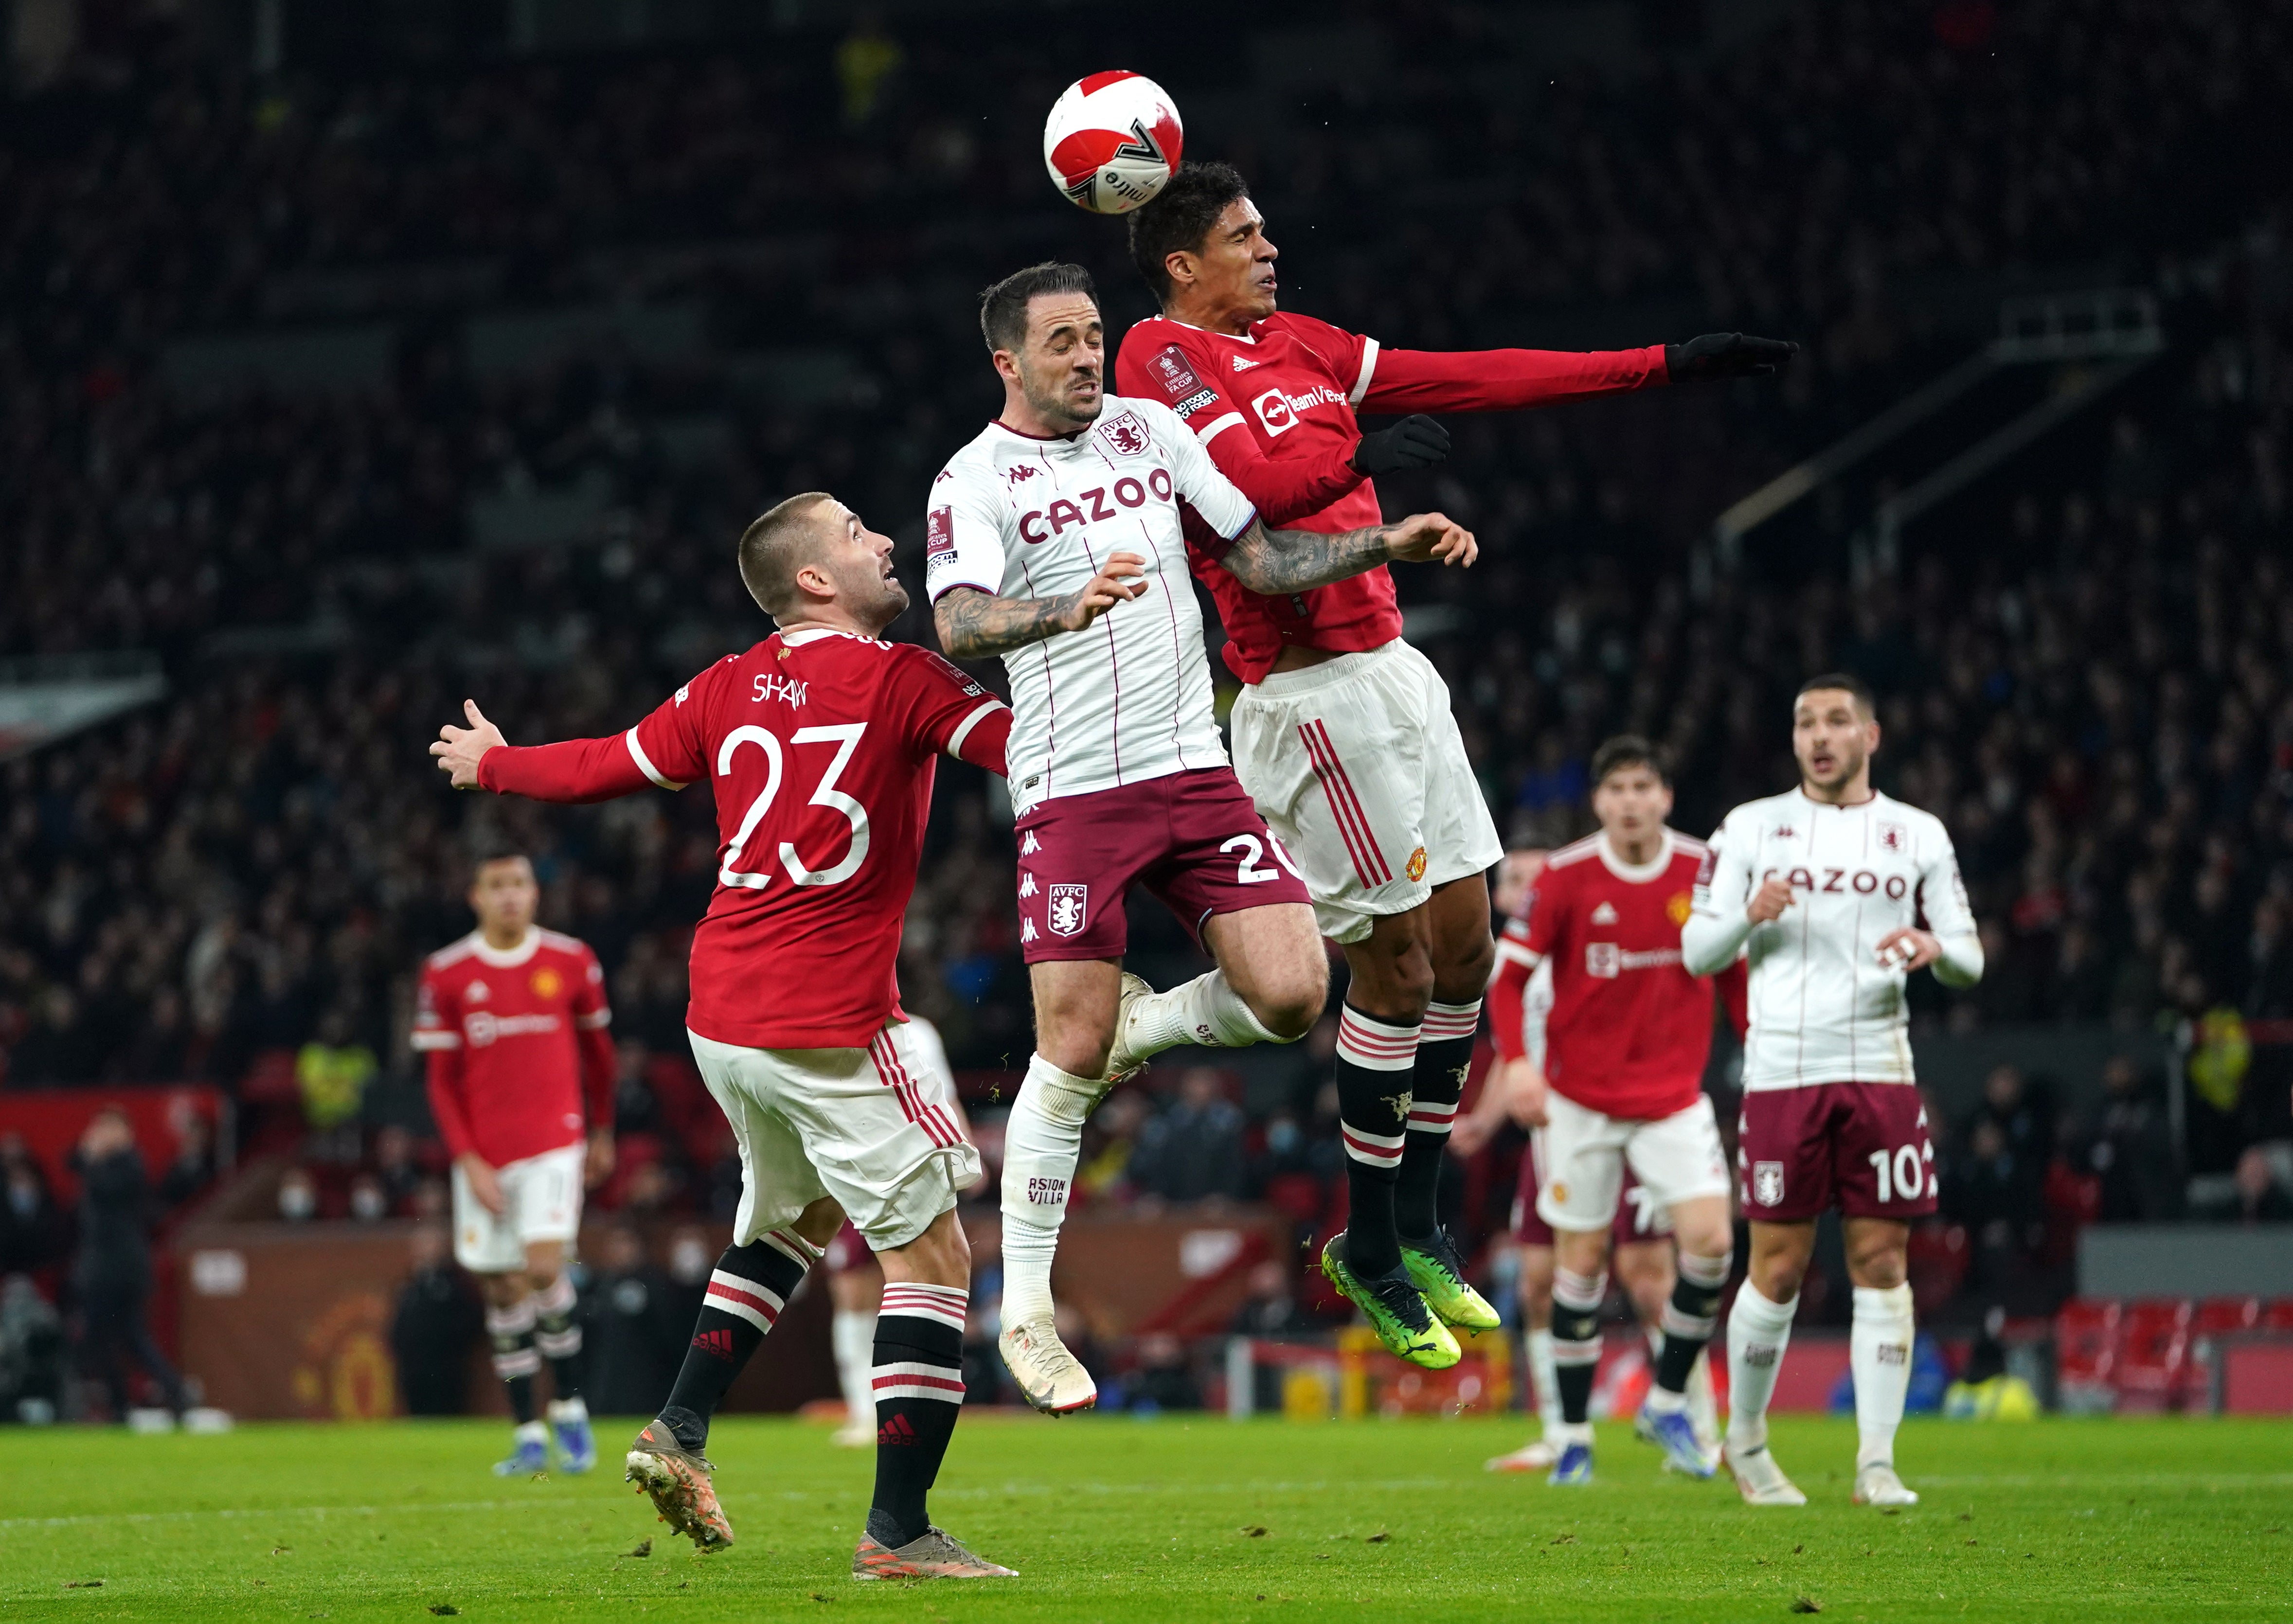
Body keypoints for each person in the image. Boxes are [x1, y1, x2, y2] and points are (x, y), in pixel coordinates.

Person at [1111, 161, 1795, 1352]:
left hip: (1393, 666)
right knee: (1394, 975)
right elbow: (1253, 500)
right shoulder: (1154, 365)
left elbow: (1476, 378)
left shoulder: (1301, 345)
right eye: (1243, 234)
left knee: (1468, 950)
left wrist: (1660, 367)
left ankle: (1410, 1227)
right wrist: (1360, 462)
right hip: (1304, 693)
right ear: (1183, 264)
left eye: (1267, 229)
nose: (1271, 248)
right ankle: (1370, 1239)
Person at [431, 489, 1015, 1581]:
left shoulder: (725, 684)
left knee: (787, 1224)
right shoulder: (902, 678)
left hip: (722, 1015)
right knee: (934, 1255)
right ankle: (898, 1531)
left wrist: (497, 763)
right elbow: (1026, 752)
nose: (883, 541)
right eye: (855, 535)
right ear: (813, 579)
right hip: (828, 1015)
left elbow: (607, 762)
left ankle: (678, 1427)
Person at [927, 259, 1480, 1402]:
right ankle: (1025, 1311)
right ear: (1008, 363)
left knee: (1293, 996)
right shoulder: (972, 480)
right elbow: (960, 620)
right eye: (1063, 344)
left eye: (1093, 338)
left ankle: (1160, 1020)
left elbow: (1259, 557)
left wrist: (1386, 544)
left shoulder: (1148, 433)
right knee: (1070, 1045)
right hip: (1075, 792)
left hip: (1194, 768)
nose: (1087, 358)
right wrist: (1057, 610)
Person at [1682, 674, 1983, 1508]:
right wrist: (1747, 913)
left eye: (1835, 720)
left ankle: (1875, 1463)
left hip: (1881, 1070)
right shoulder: (1749, 826)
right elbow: (1697, 950)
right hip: (1782, 1071)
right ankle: (1744, 1442)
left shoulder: (1915, 833)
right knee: (1775, 1268)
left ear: (1869, 735)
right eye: (1804, 722)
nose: (1818, 735)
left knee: (1882, 1261)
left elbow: (1969, 957)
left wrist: (1930, 943)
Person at [1453, 739, 1745, 1484]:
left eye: (1641, 785)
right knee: (1576, 1268)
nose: (1629, 800)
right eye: (1615, 787)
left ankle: (1670, 1398)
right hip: (1579, 1106)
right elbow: (1507, 980)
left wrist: (1760, 1047)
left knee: (1709, 1244)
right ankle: (1575, 1437)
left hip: (1671, 1101)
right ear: (1599, 800)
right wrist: (1519, 1067)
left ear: (1664, 796)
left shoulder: (1703, 869)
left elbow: (1732, 967)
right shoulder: (1565, 876)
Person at [412, 851, 615, 1477]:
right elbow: (441, 1083)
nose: (510, 896)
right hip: (484, 1154)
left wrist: (603, 1131)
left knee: (542, 1266)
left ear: (535, 893)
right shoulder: (446, 973)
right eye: (496, 885)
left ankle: (571, 1412)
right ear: (475, 895)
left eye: (520, 884)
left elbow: (600, 1056)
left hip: (556, 1139)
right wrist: (468, 1160)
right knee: (501, 1289)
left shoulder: (571, 959)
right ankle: (528, 1432)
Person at [68, 1108, 188, 1422]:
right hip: (99, 1267)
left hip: (121, 1267)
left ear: (127, 1133)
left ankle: (166, 1391)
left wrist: (92, 1158)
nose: (102, 1134)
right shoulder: (102, 1163)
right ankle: (138, 1398)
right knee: (113, 1336)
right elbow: (70, 1160)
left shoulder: (131, 1164)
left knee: (122, 1335)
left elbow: (104, 1186)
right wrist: (88, 1153)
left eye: (110, 1128)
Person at [389, 1225, 484, 1416]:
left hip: (447, 1366)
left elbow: (472, 1319)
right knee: (417, 1412)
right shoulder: (410, 1282)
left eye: (430, 1244)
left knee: (448, 1412)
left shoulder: (455, 1282)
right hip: (414, 1365)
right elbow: (399, 1323)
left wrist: (448, 1344)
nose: (425, 1250)